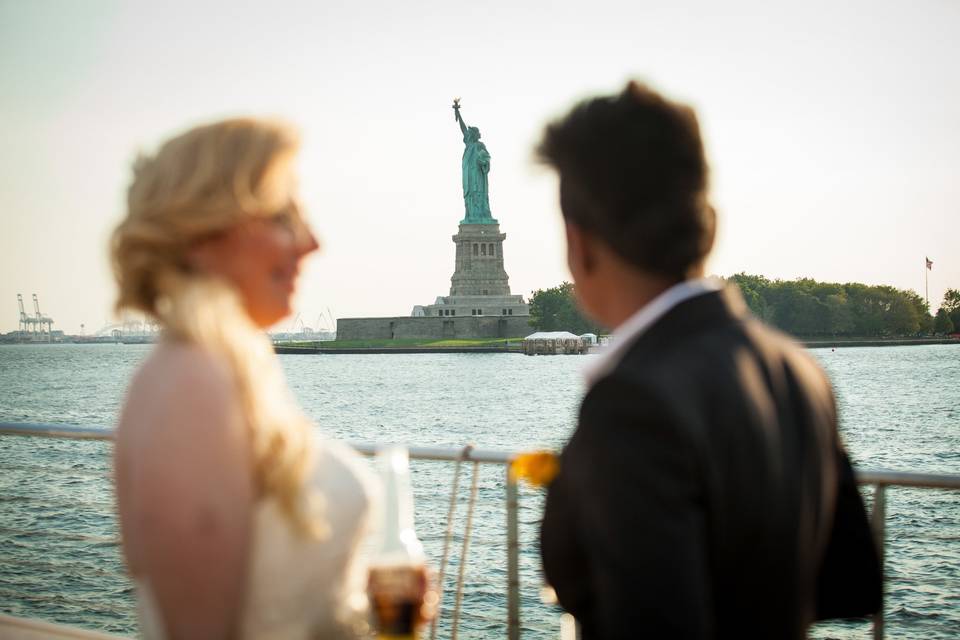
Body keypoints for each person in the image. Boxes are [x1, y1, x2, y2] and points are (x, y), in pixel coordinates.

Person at [537, 82, 882, 638]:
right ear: (709, 225)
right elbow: (846, 581)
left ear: (579, 245)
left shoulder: (632, 403)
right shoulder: (799, 370)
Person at [111, 119, 377, 639]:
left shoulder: (224, 365)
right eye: (283, 217)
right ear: (201, 233)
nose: (312, 243)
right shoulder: (191, 384)